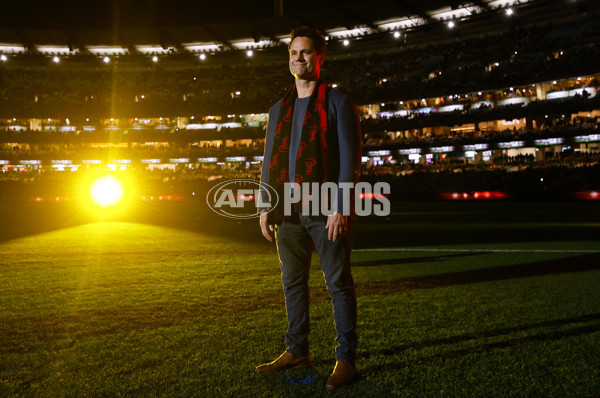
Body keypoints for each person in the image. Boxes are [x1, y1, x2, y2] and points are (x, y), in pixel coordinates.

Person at [255, 26, 362, 390]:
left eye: (305, 53)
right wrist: (266, 205)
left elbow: (350, 161)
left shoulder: (337, 101)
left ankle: (345, 360)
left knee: (338, 285)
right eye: (293, 53)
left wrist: (341, 207)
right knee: (292, 284)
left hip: (325, 207)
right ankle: (297, 349)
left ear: (320, 57)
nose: (298, 59)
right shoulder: (278, 108)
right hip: (287, 210)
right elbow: (270, 159)